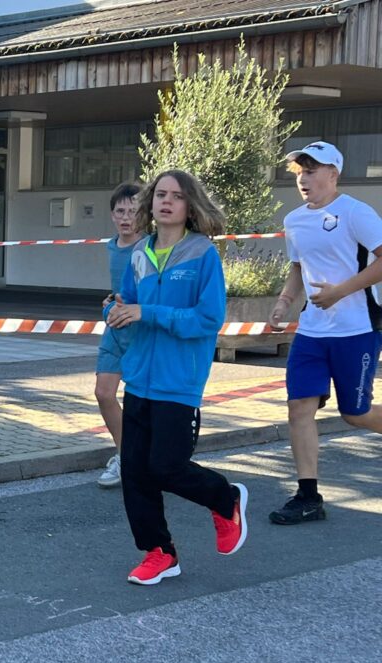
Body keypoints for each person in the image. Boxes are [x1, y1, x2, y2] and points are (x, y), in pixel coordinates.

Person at [105, 170, 248, 585]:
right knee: (135, 472)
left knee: (166, 467)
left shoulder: (202, 254)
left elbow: (208, 319)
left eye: (177, 196)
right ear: (150, 202)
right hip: (139, 379)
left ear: (190, 206)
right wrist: (115, 311)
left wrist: (148, 312)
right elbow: (128, 305)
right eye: (161, 194)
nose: (167, 201)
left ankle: (225, 498)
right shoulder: (139, 253)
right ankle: (160, 553)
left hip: (179, 383)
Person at [267, 141, 382, 525]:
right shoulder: (294, 220)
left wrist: (340, 292)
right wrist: (284, 302)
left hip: (357, 329)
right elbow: (298, 268)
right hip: (312, 332)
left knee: (356, 414)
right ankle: (308, 496)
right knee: (299, 407)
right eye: (300, 171)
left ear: (333, 174)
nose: (303, 178)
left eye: (312, 170)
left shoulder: (356, 213)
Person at [95, 182, 142, 488]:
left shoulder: (150, 247)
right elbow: (120, 289)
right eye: (120, 211)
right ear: (112, 215)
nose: (126, 218)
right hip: (114, 329)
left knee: (142, 403)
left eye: (133, 211)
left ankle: (144, 460)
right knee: (103, 393)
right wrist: (111, 302)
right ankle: (126, 456)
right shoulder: (112, 245)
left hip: (142, 332)